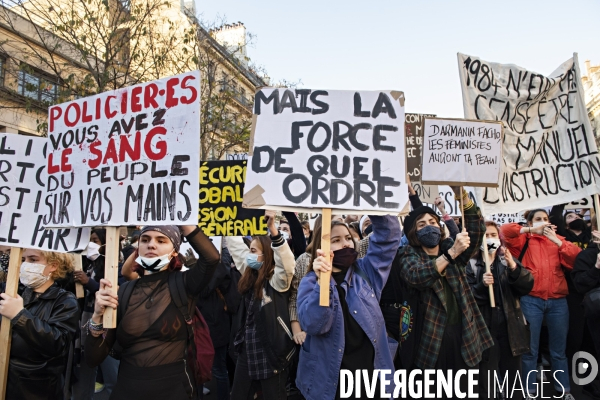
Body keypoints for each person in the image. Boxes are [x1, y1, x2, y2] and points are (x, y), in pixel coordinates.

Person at [86, 225, 220, 399]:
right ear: (137, 249)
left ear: (174, 251)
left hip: (174, 391)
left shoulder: (184, 284)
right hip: (128, 390)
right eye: (145, 239)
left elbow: (211, 258)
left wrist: (184, 223)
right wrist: (97, 317)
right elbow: (93, 358)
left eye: (161, 240)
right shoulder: (124, 292)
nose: (151, 245)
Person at [393, 188, 492, 398]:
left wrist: (462, 196)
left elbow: (475, 232)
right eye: (422, 224)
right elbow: (418, 276)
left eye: (432, 222)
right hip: (431, 340)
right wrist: (451, 254)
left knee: (466, 391)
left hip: (463, 335)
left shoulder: (450, 245)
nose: (429, 226)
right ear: (413, 233)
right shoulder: (408, 255)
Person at [296, 214, 401, 400]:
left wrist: (377, 204)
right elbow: (314, 325)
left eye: (348, 238)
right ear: (321, 248)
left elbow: (389, 237)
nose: (345, 244)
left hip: (370, 381)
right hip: (332, 385)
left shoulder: (366, 272)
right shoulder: (310, 282)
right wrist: (323, 282)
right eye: (335, 240)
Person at [500, 209, 581, 400]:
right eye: (538, 219)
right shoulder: (524, 240)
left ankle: (564, 390)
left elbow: (576, 258)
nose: (543, 222)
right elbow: (504, 230)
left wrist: (557, 241)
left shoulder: (558, 239)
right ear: (530, 222)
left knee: (558, 351)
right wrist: (530, 230)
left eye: (545, 219)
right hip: (531, 299)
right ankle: (529, 391)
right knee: (529, 350)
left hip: (558, 301)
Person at [227, 210, 296, 400]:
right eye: (250, 250)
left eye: (254, 251)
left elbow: (287, 264)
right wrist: (226, 220)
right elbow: (235, 246)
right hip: (247, 351)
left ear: (267, 255)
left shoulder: (277, 280)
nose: (249, 254)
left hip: (272, 353)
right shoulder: (249, 274)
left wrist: (273, 229)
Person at [466, 220, 533, 399]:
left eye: (493, 235)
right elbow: (466, 297)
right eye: (485, 235)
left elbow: (526, 286)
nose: (490, 239)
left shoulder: (507, 260)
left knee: (512, 377)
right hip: (483, 326)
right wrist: (481, 286)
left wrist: (514, 268)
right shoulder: (470, 264)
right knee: (486, 377)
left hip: (509, 325)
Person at [0, 249, 79, 399]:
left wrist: (19, 316)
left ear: (53, 265)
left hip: (35, 388)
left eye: (33, 260)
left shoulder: (65, 301)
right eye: (23, 260)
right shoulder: (14, 292)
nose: (25, 265)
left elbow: (57, 344)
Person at [571, 229, 600, 400]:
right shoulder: (586, 256)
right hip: (594, 317)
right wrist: (596, 268)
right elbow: (580, 285)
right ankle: (589, 386)